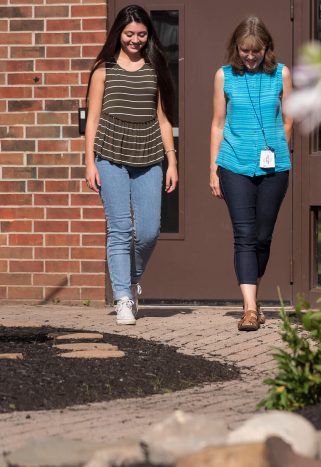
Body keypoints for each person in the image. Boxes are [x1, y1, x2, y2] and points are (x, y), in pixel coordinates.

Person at [84, 4, 177, 325]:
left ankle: (131, 277)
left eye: (141, 34)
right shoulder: (103, 70)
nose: (135, 39)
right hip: (109, 154)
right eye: (129, 34)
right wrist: (89, 163)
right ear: (118, 34)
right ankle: (123, 296)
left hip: (149, 154)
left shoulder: (154, 67)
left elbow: (164, 120)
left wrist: (172, 161)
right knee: (120, 229)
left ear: (148, 34)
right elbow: (92, 120)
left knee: (149, 230)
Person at [209, 15, 293, 332]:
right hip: (233, 164)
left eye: (256, 51)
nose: (250, 56)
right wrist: (213, 169)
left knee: (262, 236)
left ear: (266, 48)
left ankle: (252, 295)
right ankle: (249, 308)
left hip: (275, 168)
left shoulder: (281, 74)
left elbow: (289, 118)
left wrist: (279, 145)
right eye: (245, 50)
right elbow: (217, 123)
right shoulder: (224, 76)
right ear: (237, 48)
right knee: (244, 236)